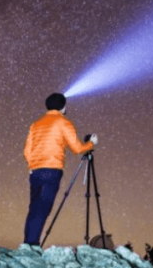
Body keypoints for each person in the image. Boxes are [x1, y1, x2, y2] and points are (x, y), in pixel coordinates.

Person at [22, 92, 97, 245]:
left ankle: (28, 243)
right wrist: (91, 143)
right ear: (63, 107)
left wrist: (32, 166)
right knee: (43, 208)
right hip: (52, 170)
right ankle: (31, 245)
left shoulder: (35, 124)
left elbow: (27, 150)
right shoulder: (63, 122)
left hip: (35, 171)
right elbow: (77, 148)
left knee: (34, 208)